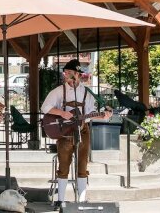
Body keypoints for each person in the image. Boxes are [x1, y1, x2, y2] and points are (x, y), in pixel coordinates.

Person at [41, 58, 112, 209]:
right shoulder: (59, 91)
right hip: (65, 132)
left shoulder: (87, 92)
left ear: (78, 74)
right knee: (64, 165)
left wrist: (102, 115)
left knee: (82, 164)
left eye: (70, 72)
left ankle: (82, 200)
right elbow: (45, 108)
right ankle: (60, 200)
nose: (66, 74)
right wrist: (61, 113)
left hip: (83, 130)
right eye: (66, 72)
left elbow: (91, 112)